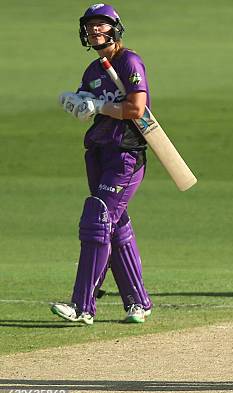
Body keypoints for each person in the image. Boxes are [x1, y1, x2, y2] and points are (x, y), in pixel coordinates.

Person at [51, 3, 152, 324]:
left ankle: (83, 306)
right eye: (90, 25)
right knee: (116, 226)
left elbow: (137, 109)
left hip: (126, 153)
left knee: (97, 219)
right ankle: (138, 302)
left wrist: (100, 105)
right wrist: (78, 103)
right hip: (98, 151)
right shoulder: (94, 70)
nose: (95, 30)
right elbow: (86, 103)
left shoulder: (128, 61)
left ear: (115, 28)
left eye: (102, 24)